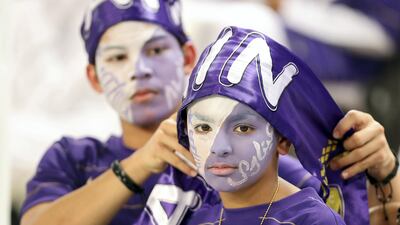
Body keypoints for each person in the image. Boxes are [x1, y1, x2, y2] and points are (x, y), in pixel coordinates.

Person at [20, 1, 398, 225]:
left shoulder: (241, 160)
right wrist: (142, 163)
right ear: (94, 77)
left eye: (154, 51)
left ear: (187, 57)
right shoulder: (73, 158)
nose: (139, 70)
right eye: (117, 57)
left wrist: (386, 170)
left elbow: (361, 214)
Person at [176, 26, 348, 224]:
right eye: (203, 128)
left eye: (242, 128)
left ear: (283, 139)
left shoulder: (312, 221)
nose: (219, 147)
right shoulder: (195, 218)